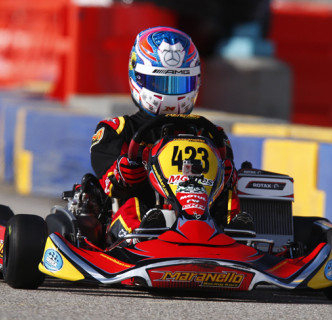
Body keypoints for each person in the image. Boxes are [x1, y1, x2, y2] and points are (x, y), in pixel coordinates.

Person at [89, 26, 241, 244]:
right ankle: (144, 236)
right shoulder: (117, 129)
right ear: (139, 79)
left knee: (232, 196)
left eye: (179, 84)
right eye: (161, 84)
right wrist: (123, 172)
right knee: (134, 205)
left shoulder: (210, 133)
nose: (170, 93)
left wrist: (227, 175)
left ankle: (236, 235)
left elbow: (225, 178)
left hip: (203, 220)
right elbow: (108, 182)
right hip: (139, 213)